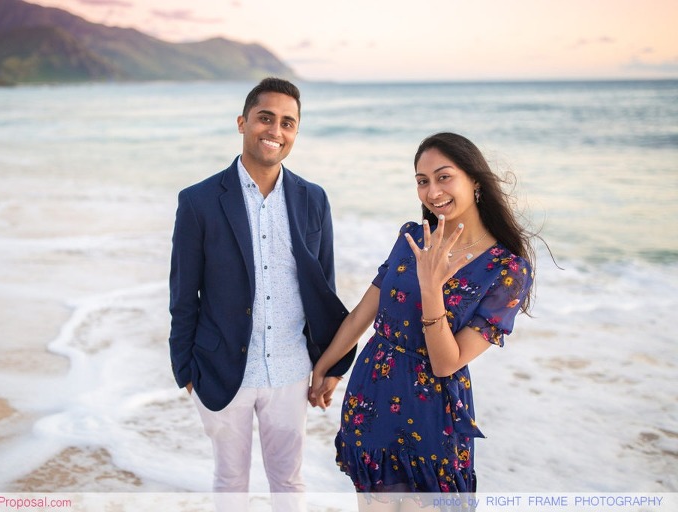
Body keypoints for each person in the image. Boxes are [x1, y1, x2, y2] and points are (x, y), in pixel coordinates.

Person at [309, 132, 535, 510]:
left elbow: (448, 362)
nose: (432, 192)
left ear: (475, 180)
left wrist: (432, 287)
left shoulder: (506, 269)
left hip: (433, 410)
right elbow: (362, 316)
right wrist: (325, 364)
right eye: (422, 180)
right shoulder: (412, 237)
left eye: (444, 177)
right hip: (372, 393)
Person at [168, 77, 356, 511]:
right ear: (242, 123)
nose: (276, 131)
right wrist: (186, 370)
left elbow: (323, 290)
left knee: (289, 481)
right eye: (265, 118)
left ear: (295, 132)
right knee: (230, 479)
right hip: (219, 371)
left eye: (288, 123)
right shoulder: (198, 201)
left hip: (292, 370)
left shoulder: (314, 199)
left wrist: (327, 363)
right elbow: (183, 295)